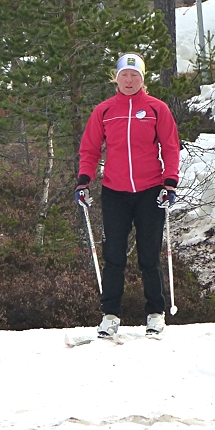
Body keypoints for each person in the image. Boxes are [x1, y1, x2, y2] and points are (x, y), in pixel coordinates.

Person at [76, 53, 180, 338]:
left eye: (135, 75)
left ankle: (155, 314)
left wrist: (170, 182)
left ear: (142, 79)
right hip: (115, 192)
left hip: (150, 191)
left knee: (149, 256)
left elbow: (171, 147)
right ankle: (110, 316)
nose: (129, 80)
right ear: (117, 78)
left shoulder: (157, 109)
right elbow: (90, 149)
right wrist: (84, 181)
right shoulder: (105, 111)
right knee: (113, 257)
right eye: (124, 75)